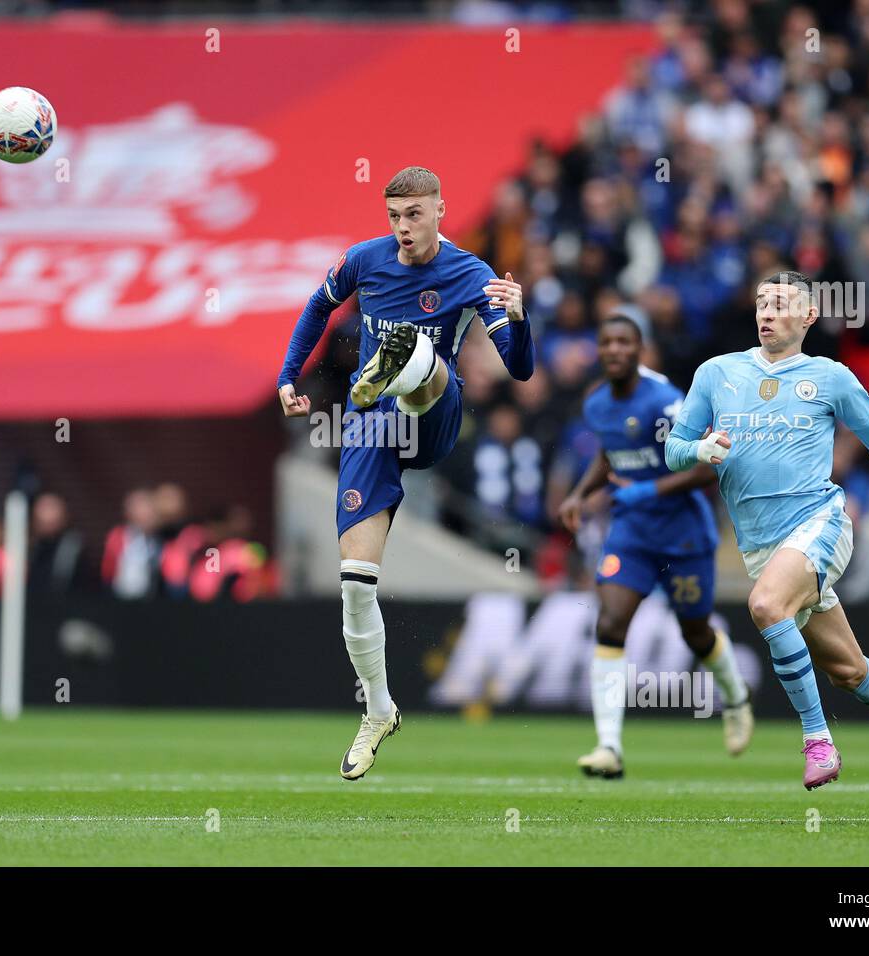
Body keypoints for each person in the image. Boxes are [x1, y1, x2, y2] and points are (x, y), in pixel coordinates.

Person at [665, 271, 869, 791]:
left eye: (780, 303)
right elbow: (673, 449)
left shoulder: (830, 376)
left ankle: (818, 740)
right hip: (761, 546)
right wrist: (700, 449)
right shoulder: (716, 373)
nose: (767, 312)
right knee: (850, 672)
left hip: (820, 523)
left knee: (767, 606)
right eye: (761, 303)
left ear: (809, 316)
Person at [277, 166, 534, 779]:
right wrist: (288, 376)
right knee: (355, 582)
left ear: (441, 210)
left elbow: (519, 371)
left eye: (414, 214)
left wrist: (519, 317)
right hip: (371, 430)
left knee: (428, 366)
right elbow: (318, 307)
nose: (403, 227)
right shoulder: (366, 260)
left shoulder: (471, 273)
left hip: (435, 413)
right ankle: (380, 709)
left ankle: (404, 362)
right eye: (394, 216)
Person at [559, 313, 753, 779]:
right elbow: (609, 452)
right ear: (599, 349)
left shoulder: (665, 401)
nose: (615, 350)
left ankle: (736, 697)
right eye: (607, 341)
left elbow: (709, 465)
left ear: (640, 348)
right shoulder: (597, 402)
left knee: (695, 632)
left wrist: (648, 490)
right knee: (610, 623)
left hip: (683, 534)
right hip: (632, 533)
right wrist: (581, 493)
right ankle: (609, 747)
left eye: (625, 342)